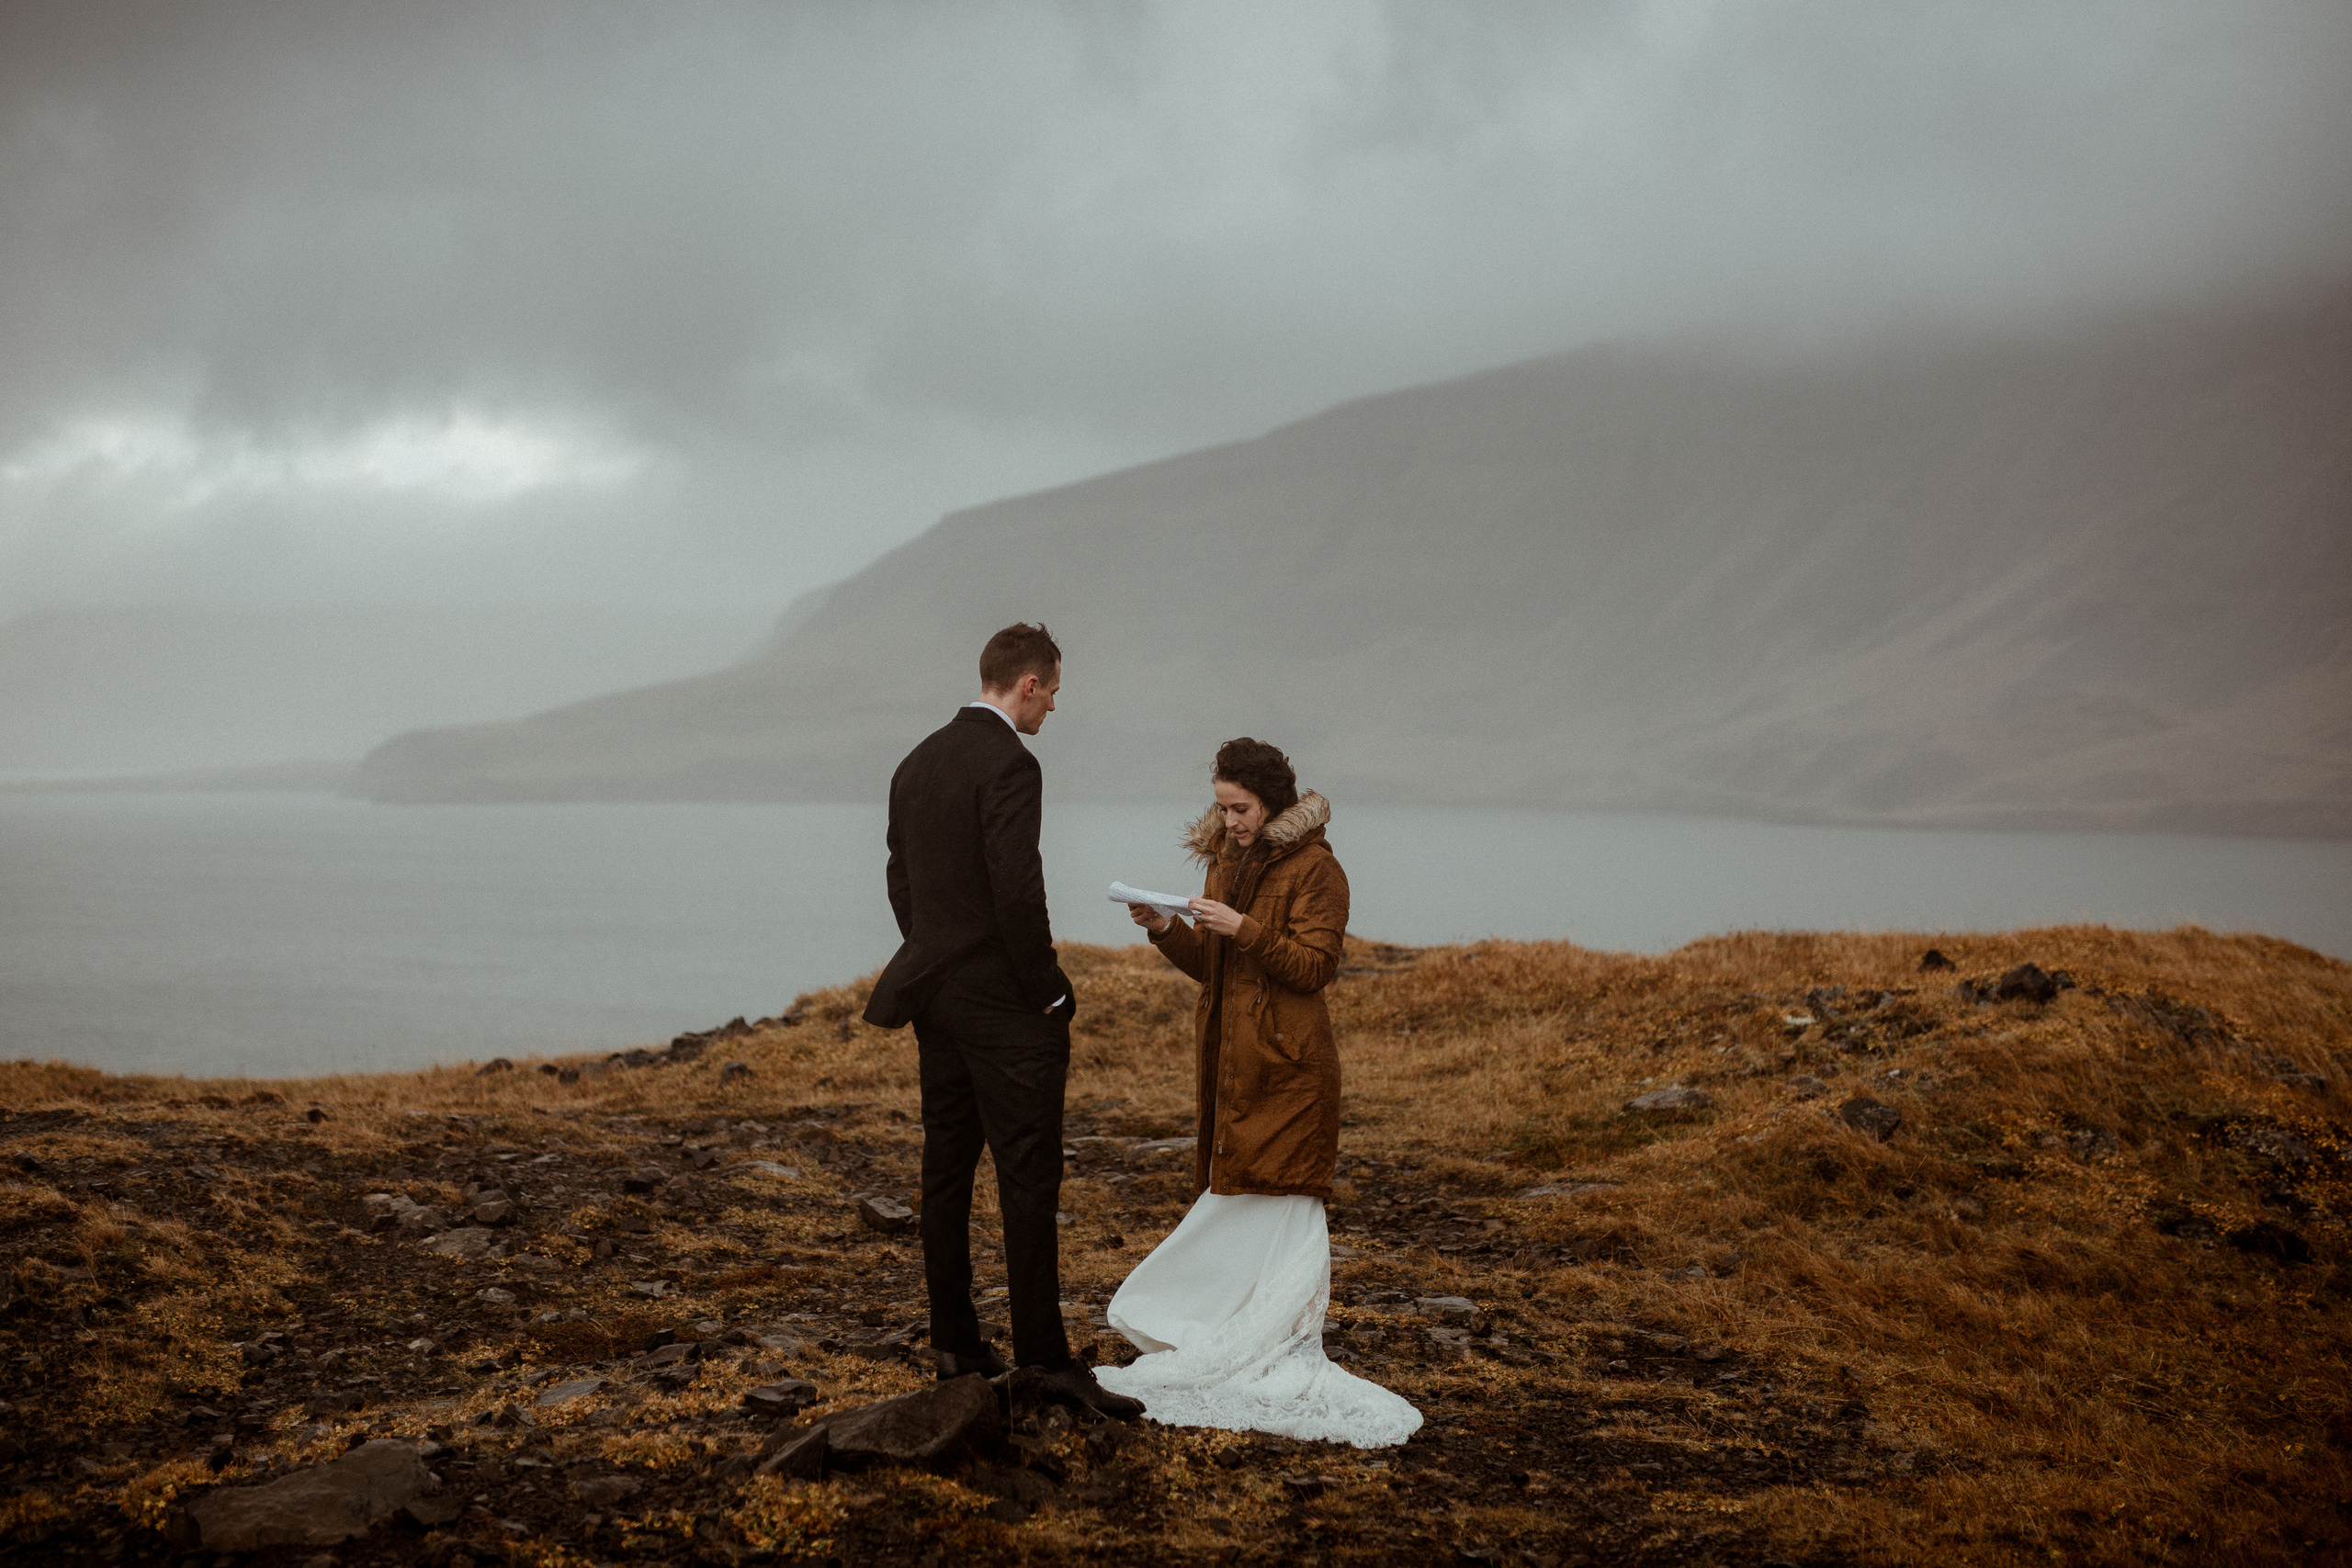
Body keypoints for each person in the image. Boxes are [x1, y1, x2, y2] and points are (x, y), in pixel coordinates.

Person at [1098, 738, 1420, 1447]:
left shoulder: (1318, 869)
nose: (1229, 821)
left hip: (1291, 1070)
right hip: (1235, 1065)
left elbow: (1314, 967)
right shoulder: (1225, 860)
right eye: (1221, 808)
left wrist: (1246, 929)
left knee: (1283, 1201)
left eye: (1239, 808)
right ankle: (1225, 1328)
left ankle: (1277, 1339)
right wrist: (1165, 929)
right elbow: (1214, 970)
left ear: (1272, 801)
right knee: (1235, 1194)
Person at [860, 623, 1143, 1421]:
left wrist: (934, 953)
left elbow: (900, 876)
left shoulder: (917, 760)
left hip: (935, 995)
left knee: (946, 1166)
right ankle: (1044, 1360)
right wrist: (1045, 988)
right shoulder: (1012, 764)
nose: (1054, 706)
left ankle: (955, 1341)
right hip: (1004, 1006)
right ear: (1027, 684)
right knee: (1028, 1174)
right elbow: (1018, 888)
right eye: (1052, 691)